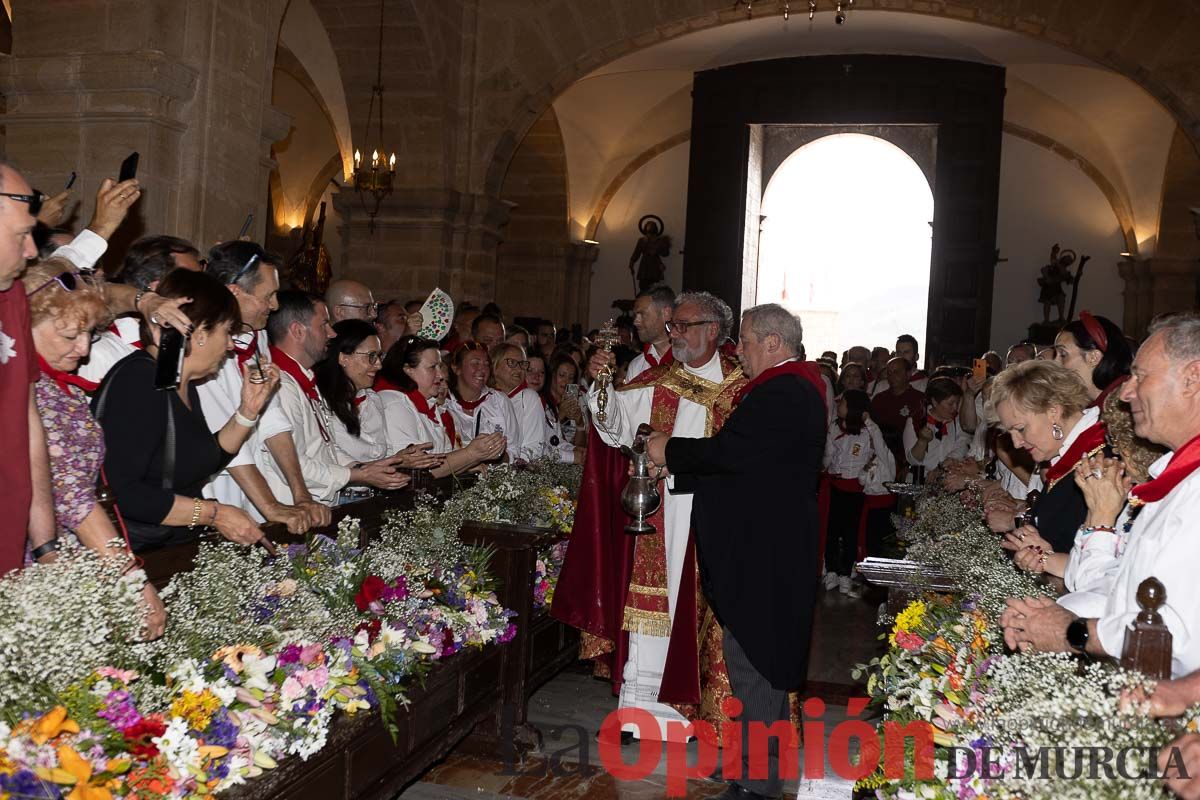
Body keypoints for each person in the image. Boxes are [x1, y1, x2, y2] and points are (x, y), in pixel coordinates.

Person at [644, 303, 826, 800]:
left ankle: (759, 785)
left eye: (744, 341)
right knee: (745, 659)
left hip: (764, 554)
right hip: (762, 548)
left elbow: (730, 454)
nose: (738, 350)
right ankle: (747, 767)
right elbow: (744, 463)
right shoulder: (789, 388)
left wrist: (669, 449)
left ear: (773, 342)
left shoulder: (786, 390)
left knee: (759, 664)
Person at [553, 291, 748, 746]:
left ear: (712, 331)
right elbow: (615, 423)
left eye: (683, 325)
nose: (674, 333)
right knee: (652, 616)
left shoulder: (741, 387)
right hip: (665, 518)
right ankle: (643, 712)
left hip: (716, 517)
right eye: (673, 324)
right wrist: (602, 381)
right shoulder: (660, 380)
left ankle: (696, 713)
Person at [1000, 312, 1200, 680]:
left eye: (1140, 376)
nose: (1125, 391)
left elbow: (1175, 636)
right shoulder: (1173, 479)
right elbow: (1120, 586)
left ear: (1193, 379)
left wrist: (1072, 630)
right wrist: (1052, 614)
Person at [25, 258, 166, 635]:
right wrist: (132, 580)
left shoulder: (54, 387)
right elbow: (74, 502)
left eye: (90, 333)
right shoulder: (37, 395)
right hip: (44, 561)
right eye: (71, 336)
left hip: (80, 553)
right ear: (25, 325)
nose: (84, 349)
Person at [93, 269, 279, 553]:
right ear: (200, 332)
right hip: (138, 552)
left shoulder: (183, 383)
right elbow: (124, 492)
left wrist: (247, 411)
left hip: (173, 548)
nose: (231, 345)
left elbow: (200, 461)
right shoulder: (139, 381)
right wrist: (213, 514)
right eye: (228, 331)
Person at [196, 241, 318, 533]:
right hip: (217, 485)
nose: (275, 306)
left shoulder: (257, 336)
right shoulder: (201, 344)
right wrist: (272, 507)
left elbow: (272, 419)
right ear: (235, 292)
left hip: (254, 484)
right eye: (269, 295)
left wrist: (301, 495)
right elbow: (227, 437)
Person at [257, 291, 411, 507]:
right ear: (298, 331)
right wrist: (356, 476)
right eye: (324, 325)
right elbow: (293, 465)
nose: (331, 333)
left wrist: (364, 469)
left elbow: (325, 448)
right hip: (292, 511)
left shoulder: (303, 381)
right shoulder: (280, 386)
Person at [989, 360, 1100, 555]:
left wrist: (1049, 558)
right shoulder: (1065, 456)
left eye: (1021, 429)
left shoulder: (1098, 458)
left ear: (1053, 412)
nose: (1016, 443)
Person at [375, 335, 505, 475]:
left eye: (440, 366)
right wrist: (471, 454)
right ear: (408, 370)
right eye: (432, 367)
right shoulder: (394, 403)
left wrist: (467, 464)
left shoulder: (431, 404)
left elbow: (444, 458)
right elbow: (416, 472)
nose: (441, 375)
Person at [822, 389, 892, 596]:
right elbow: (828, 455)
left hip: (856, 489)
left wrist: (869, 423)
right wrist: (824, 469)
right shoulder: (834, 428)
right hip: (836, 484)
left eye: (842, 402)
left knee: (851, 532)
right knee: (832, 530)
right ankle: (832, 570)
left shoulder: (868, 430)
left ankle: (846, 573)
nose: (838, 405)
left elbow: (880, 451)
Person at [1053, 311, 1133, 408]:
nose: (1055, 363)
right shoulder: (1095, 406)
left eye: (1063, 354)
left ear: (1094, 357)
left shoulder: (1123, 406)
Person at [489, 342, 549, 462]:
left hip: (516, 474)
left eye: (522, 364)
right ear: (494, 367)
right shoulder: (485, 398)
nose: (519, 369)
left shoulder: (528, 397)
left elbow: (533, 450)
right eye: (512, 363)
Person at [870, 356, 926, 477]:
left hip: (909, 462)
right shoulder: (879, 399)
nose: (891, 376)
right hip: (880, 459)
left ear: (908, 374)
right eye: (889, 372)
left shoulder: (920, 400)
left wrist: (908, 465)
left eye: (896, 372)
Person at [903, 376, 969, 476]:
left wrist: (942, 468)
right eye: (950, 403)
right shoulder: (915, 420)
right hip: (922, 480)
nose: (955, 408)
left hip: (949, 478)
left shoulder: (958, 421)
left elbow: (962, 446)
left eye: (957, 402)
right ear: (934, 402)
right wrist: (922, 441)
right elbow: (913, 461)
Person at [628, 285, 674, 379]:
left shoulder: (691, 361)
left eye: (642, 314)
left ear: (666, 313)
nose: (636, 321)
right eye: (635, 315)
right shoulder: (636, 366)